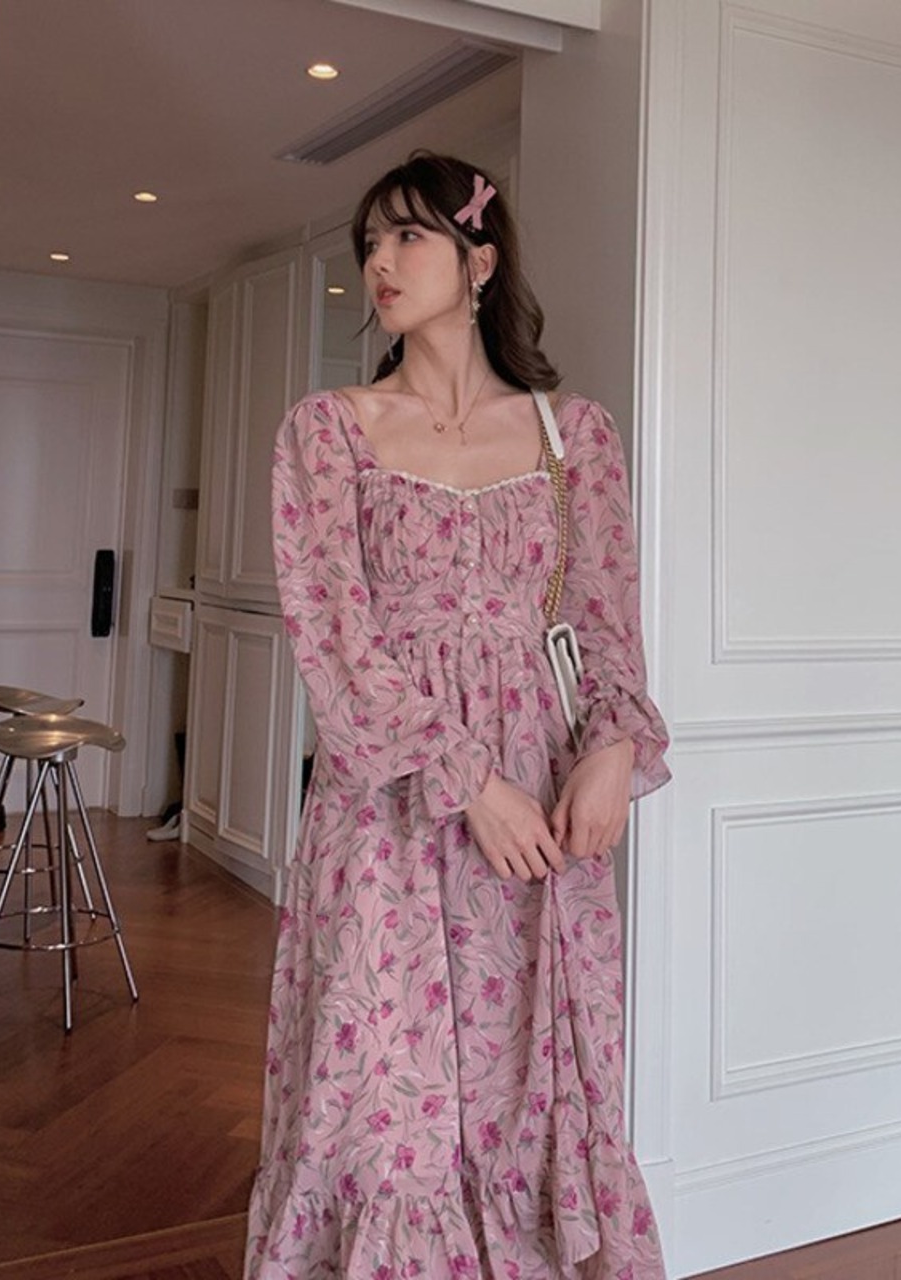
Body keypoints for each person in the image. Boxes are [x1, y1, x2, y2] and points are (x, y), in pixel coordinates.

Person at [245, 152, 671, 1280]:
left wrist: (613, 749)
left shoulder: (574, 437)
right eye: (369, 244)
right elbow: (337, 643)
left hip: (543, 811)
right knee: (383, 1101)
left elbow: (605, 623)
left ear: (479, 260)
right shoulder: (328, 432)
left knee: (531, 1085)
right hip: (393, 811)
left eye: (407, 236)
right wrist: (465, 780)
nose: (379, 264)